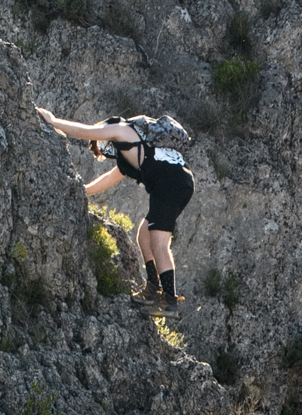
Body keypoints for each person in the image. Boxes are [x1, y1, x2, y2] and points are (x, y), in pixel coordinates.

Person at [34, 104, 194, 306]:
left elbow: (87, 132)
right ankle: (153, 287)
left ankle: (169, 301)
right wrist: (82, 190)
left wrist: (53, 121)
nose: (105, 151)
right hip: (180, 181)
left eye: (101, 146)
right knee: (144, 235)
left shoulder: (121, 129)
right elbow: (109, 178)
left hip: (170, 184)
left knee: (158, 243)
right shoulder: (132, 151)